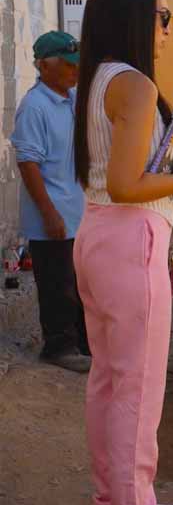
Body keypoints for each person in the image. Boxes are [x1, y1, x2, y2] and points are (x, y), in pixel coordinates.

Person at [71, 0, 173, 505]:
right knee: (138, 389)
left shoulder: (98, 77)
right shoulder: (134, 85)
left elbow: (111, 180)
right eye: (163, 16)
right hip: (133, 239)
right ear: (135, 17)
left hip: (100, 235)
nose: (167, 29)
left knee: (109, 382)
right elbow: (130, 185)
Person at [13, 31, 90, 372]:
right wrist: (49, 214)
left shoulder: (71, 100)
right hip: (52, 215)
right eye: (68, 65)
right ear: (43, 66)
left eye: (77, 64)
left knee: (81, 284)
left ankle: (84, 344)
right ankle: (58, 347)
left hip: (76, 211)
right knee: (58, 286)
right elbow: (28, 163)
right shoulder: (35, 106)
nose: (75, 71)